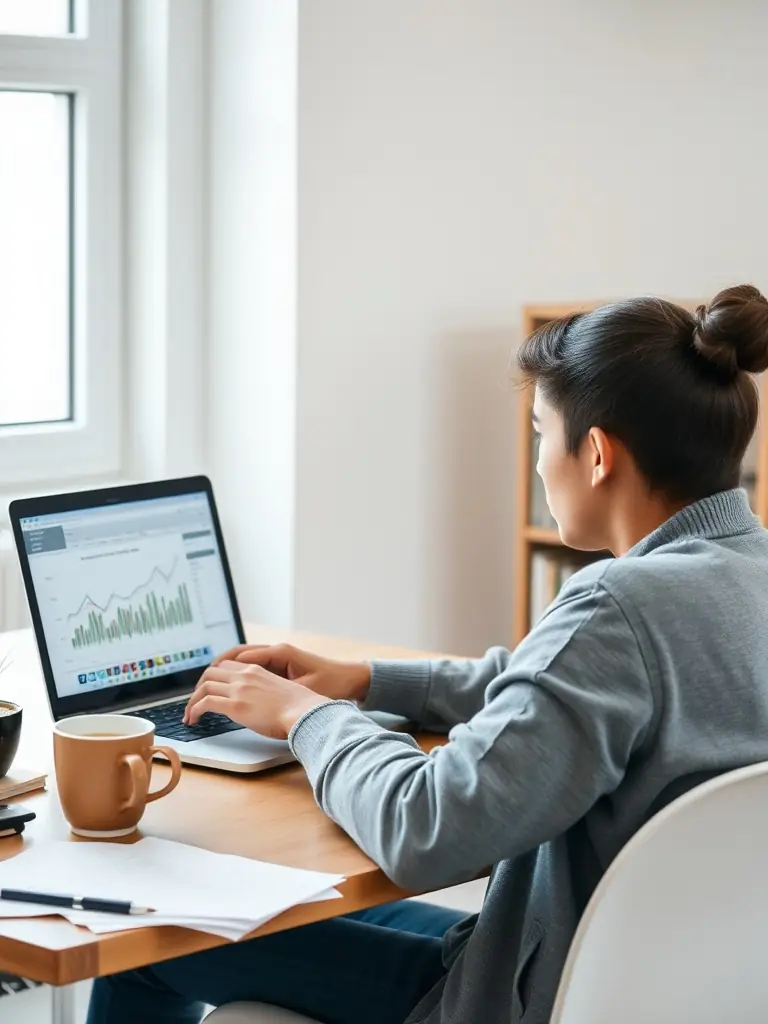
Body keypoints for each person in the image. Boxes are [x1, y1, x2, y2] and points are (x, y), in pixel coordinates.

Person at [88, 284, 768, 1024]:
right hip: (669, 991)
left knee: (145, 943)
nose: (540, 463)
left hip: (531, 999)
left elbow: (423, 827)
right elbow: (549, 687)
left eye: (541, 431)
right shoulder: (738, 577)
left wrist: (310, 718)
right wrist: (370, 681)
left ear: (597, 454)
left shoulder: (618, 607)